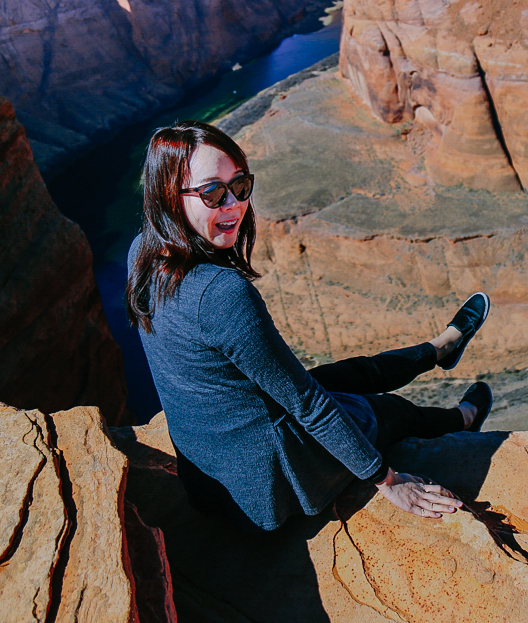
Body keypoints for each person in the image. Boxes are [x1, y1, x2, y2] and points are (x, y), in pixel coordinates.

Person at [125, 120, 494, 533]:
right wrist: (387, 481)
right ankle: (461, 420)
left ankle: (437, 350)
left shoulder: (143, 252)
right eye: (212, 193)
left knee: (344, 375)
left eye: (241, 186)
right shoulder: (220, 293)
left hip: (211, 480)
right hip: (265, 489)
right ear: (170, 199)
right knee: (384, 410)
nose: (233, 203)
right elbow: (309, 406)